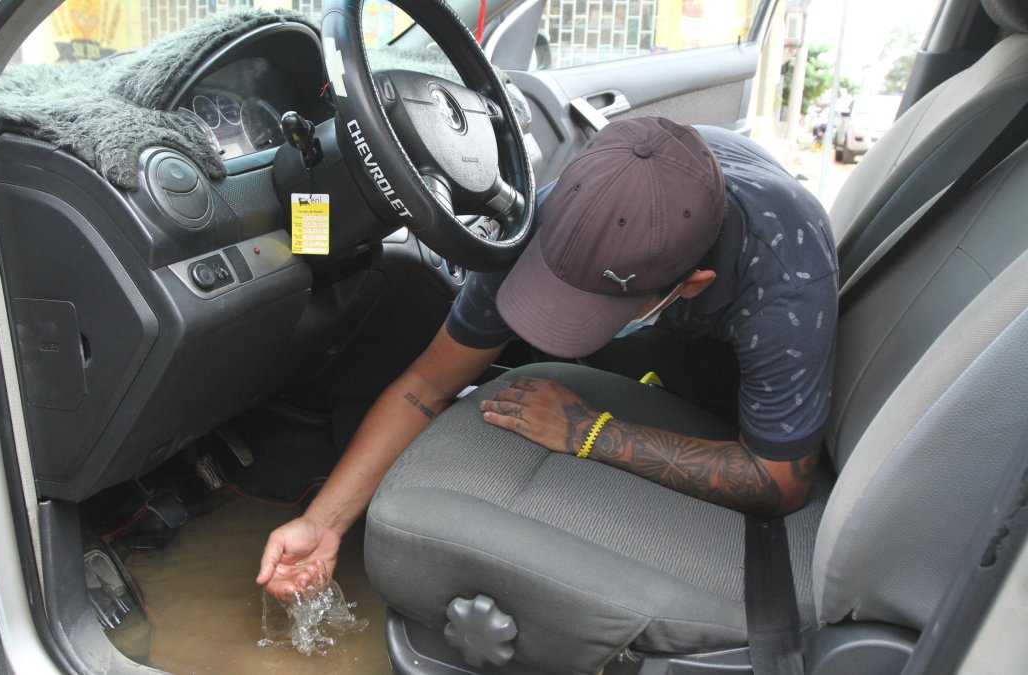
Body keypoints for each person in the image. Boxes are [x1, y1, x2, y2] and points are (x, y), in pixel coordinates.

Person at [257, 116, 838, 599]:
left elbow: (781, 480)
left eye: (593, 306)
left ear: (690, 285)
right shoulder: (553, 219)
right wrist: (322, 523)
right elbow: (426, 384)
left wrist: (590, 432)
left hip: (731, 326)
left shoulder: (784, 282)